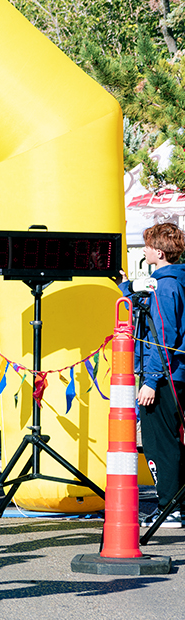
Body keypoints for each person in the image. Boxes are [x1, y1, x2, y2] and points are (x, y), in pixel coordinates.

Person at [122, 223, 185, 526]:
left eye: (147, 246)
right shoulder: (176, 281)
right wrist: (127, 285)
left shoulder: (165, 286)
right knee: (174, 439)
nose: (144, 250)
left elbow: (163, 336)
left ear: (158, 253)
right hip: (177, 375)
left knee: (161, 442)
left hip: (165, 377)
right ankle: (176, 504)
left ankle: (170, 506)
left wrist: (150, 381)